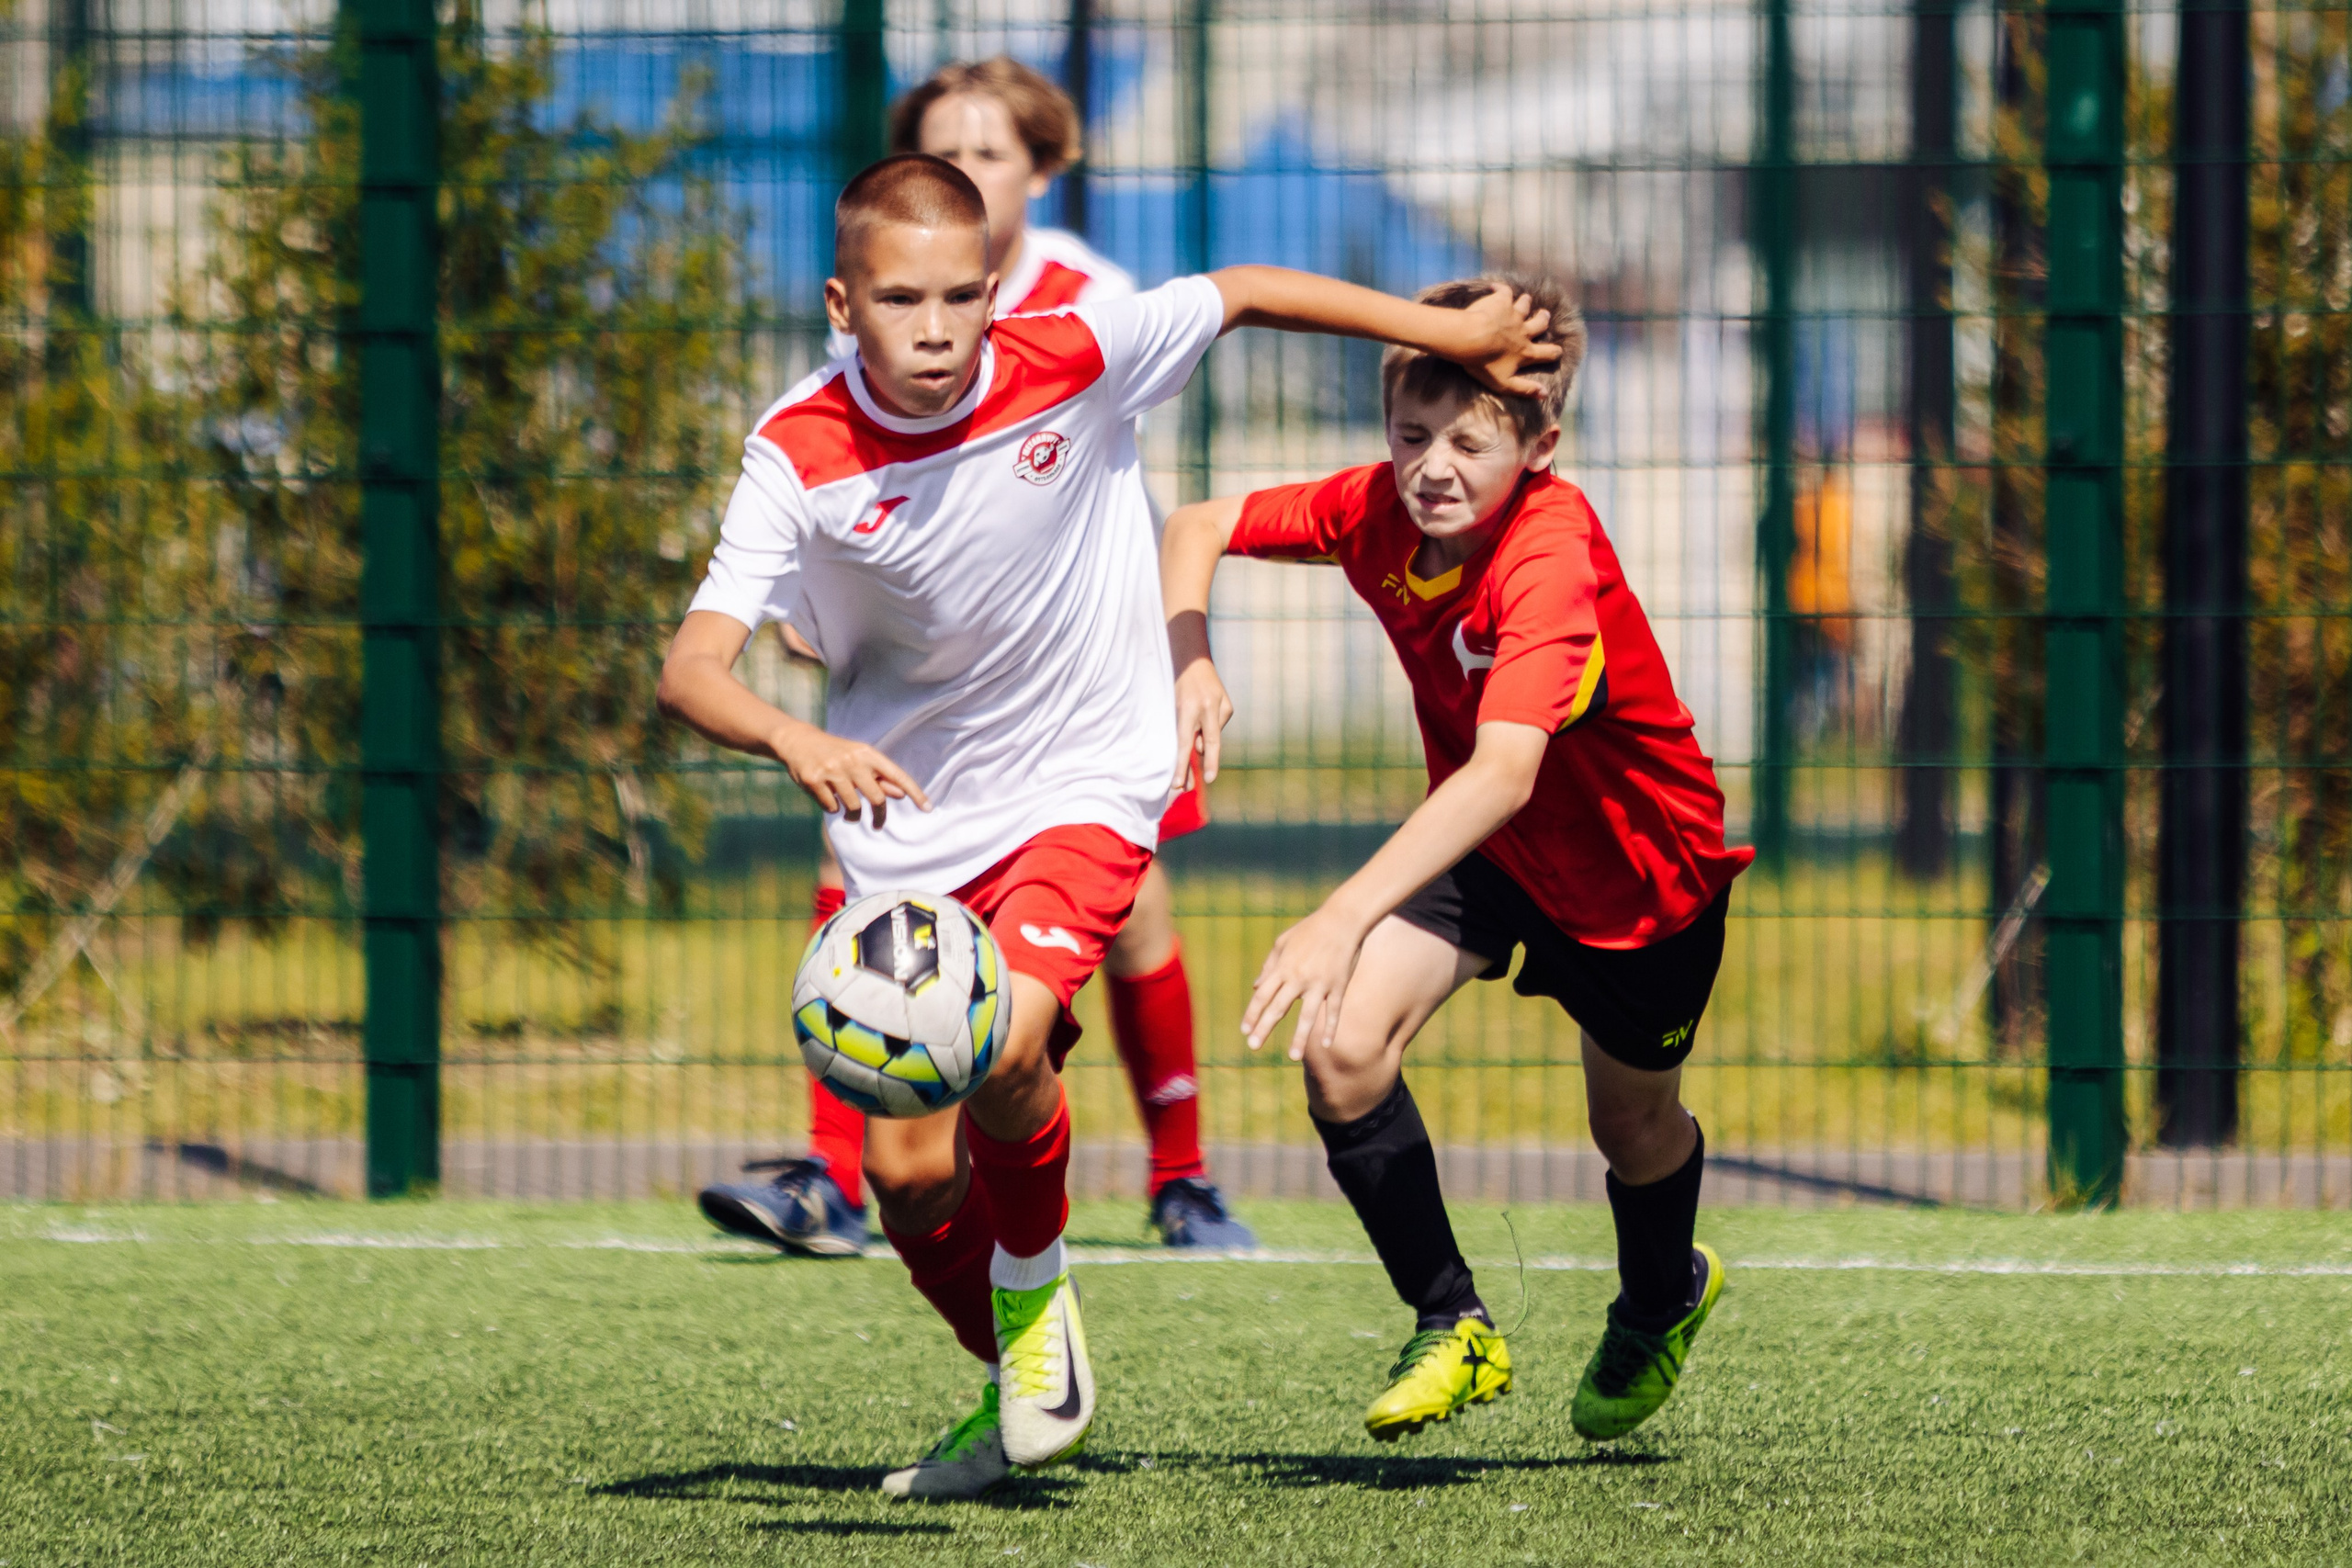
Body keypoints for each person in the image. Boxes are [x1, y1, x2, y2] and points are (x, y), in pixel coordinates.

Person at [658, 159, 1561, 1496]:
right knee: (907, 1175)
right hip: (909, 820)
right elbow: (692, 665)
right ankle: (1019, 1368)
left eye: (962, 294)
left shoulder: (1072, 354)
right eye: (900, 298)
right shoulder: (797, 447)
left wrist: (1448, 336)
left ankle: (1033, 1300)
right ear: (843, 303)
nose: (936, 326)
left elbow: (1246, 291)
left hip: (1088, 777)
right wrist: (798, 738)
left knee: (1009, 1040)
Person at [1158, 276, 1751, 1446]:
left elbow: (1503, 771)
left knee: (1632, 1132)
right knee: (1340, 1049)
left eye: (1468, 441)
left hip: (1640, 885)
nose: (1430, 466)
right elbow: (1196, 526)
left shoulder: (1551, 554)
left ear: (1540, 444)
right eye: (1410, 433)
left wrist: (1337, 916)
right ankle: (1451, 1322)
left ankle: (1659, 1296)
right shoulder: (1376, 511)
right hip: (1488, 853)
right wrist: (1191, 657)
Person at [697, 57, 1250, 1258]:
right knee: (866, 862)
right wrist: (809, 607)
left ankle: (1182, 1172)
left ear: (1043, 170)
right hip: (941, 704)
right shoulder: (901, 297)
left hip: (1082, 681)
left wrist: (1183, 637)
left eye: (989, 152)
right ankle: (848, 1172)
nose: (963, 169)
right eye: (941, 147)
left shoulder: (1081, 301)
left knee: (1131, 905)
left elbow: (1081, 481)